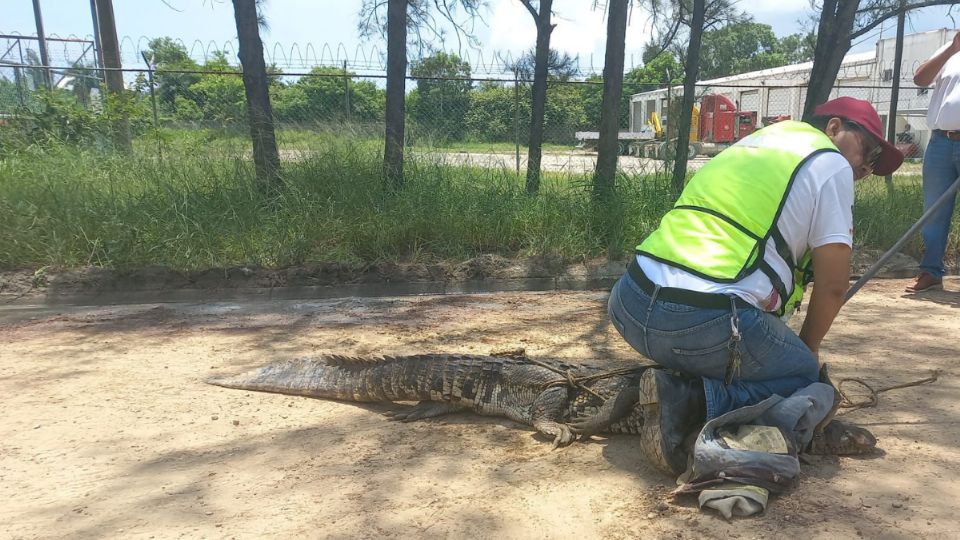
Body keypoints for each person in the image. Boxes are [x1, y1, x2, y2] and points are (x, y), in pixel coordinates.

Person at [607, 97, 904, 476]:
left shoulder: (759, 142)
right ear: (833, 128)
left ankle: (684, 380)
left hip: (629, 303)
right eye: (870, 150)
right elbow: (833, 286)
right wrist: (806, 352)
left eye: (876, 163)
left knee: (747, 341)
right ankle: (686, 399)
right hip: (696, 321)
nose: (867, 167)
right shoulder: (831, 164)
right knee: (804, 377)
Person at [908, 31, 960, 293]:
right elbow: (920, 79)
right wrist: (952, 49)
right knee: (934, 212)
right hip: (941, 142)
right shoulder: (950, 53)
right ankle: (931, 272)